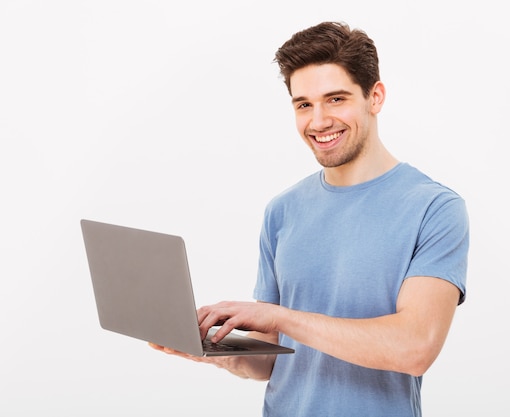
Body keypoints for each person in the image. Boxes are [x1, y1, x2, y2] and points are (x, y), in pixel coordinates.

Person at [151, 21, 469, 417]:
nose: (318, 121)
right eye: (303, 104)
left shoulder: (434, 208)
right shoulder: (282, 211)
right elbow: (271, 362)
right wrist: (205, 349)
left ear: (376, 97)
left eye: (336, 99)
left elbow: (415, 348)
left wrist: (280, 316)